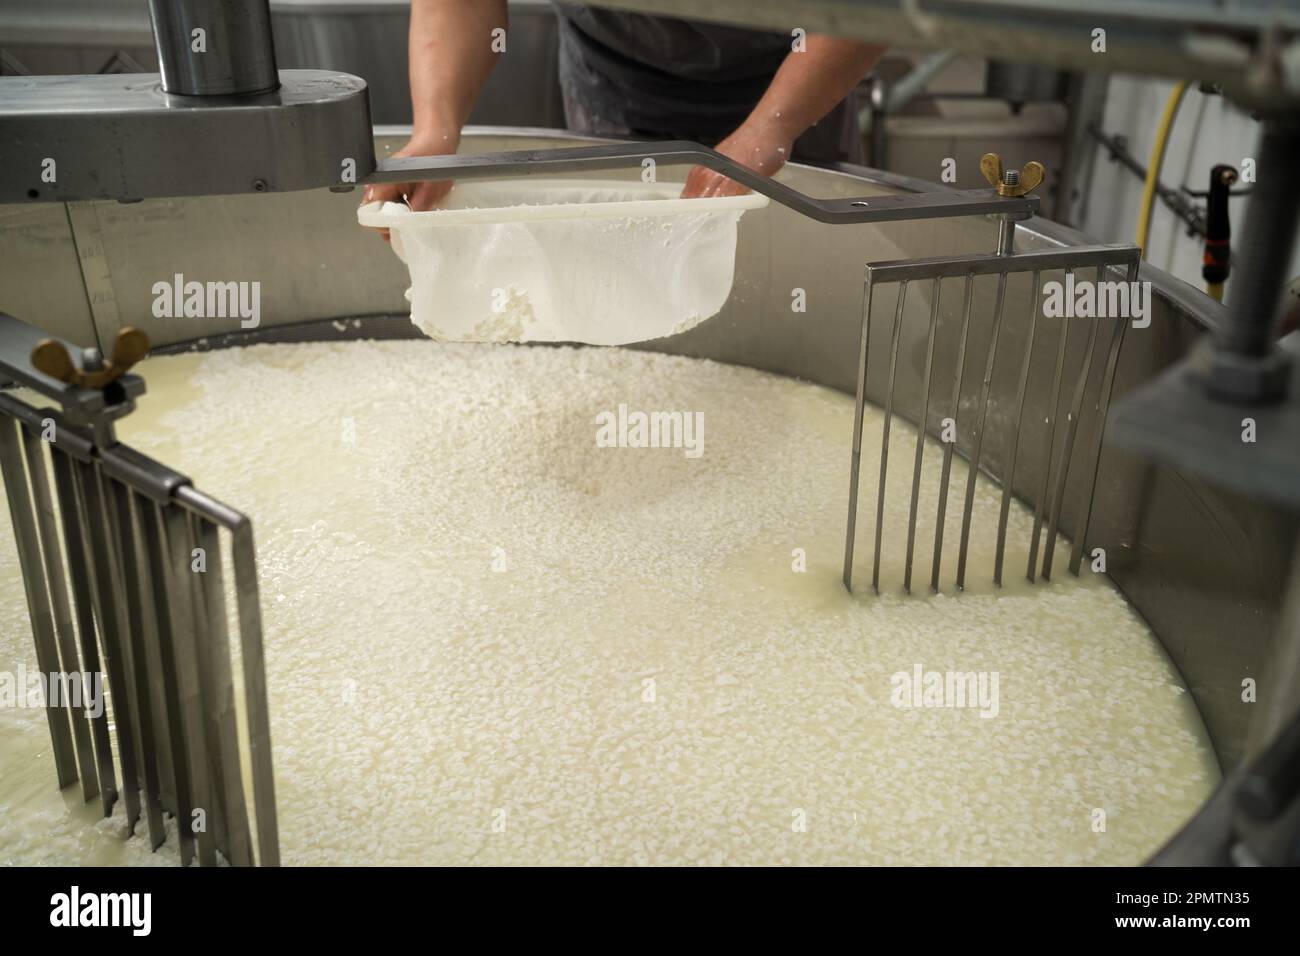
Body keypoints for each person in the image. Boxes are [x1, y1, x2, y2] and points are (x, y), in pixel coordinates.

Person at [362, 1, 885, 232]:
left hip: (796, 79)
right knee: (618, 282)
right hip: (612, 88)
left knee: (790, 291)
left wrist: (772, 127)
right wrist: (436, 129)